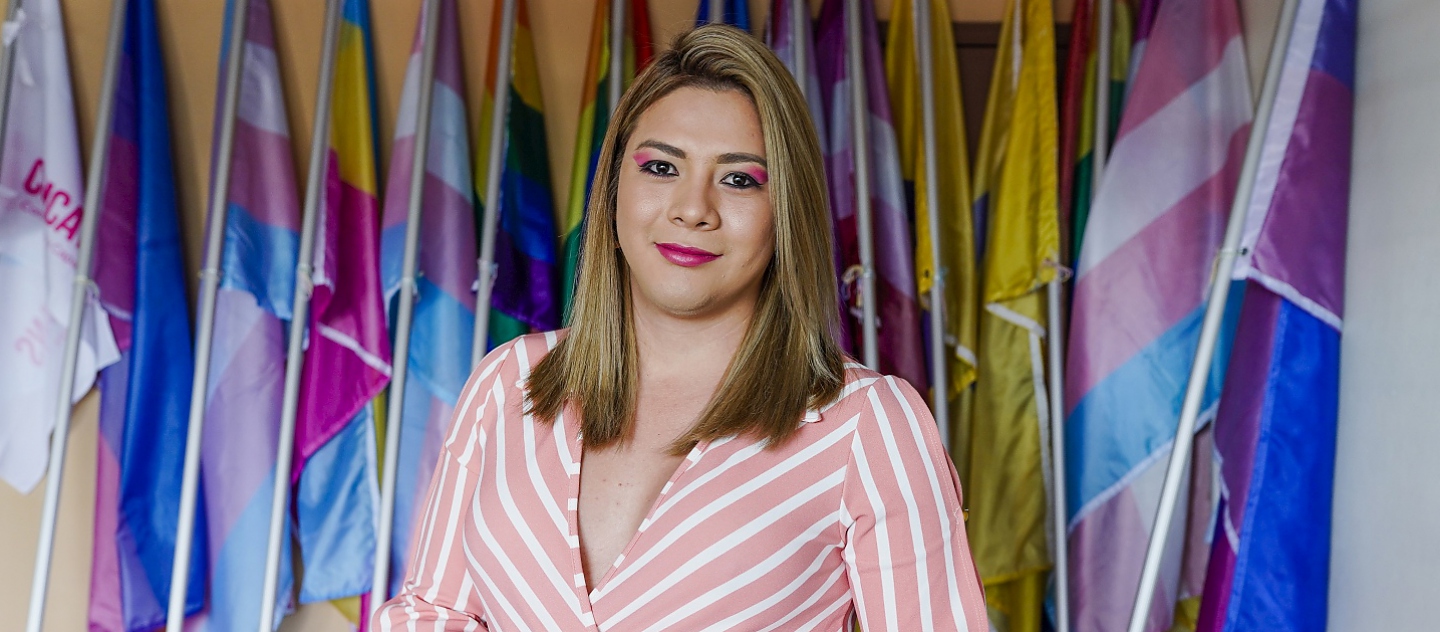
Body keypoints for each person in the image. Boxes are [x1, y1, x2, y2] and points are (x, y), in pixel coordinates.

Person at [374, 24, 987, 631]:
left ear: (787, 214)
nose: (693, 208)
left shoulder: (869, 425)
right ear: (614, 187)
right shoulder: (508, 381)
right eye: (662, 168)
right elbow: (432, 612)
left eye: (740, 179)